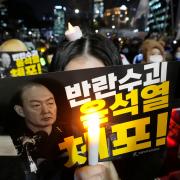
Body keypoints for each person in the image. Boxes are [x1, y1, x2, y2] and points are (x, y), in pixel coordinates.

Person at [50, 33, 164, 180]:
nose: (87, 99)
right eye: (73, 87)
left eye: (97, 84)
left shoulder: (143, 135)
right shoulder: (45, 137)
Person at [8, 82, 73, 180]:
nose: (46, 110)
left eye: (50, 103)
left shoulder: (71, 131)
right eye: (36, 105)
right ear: (20, 111)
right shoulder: (13, 142)